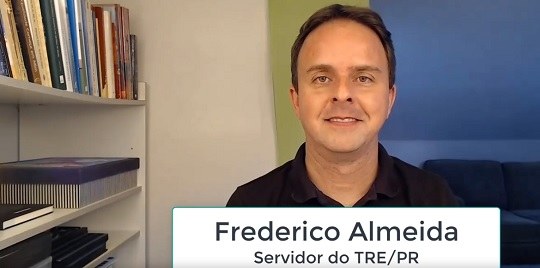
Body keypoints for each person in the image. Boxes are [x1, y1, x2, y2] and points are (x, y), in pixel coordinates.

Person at [227, 4, 458, 207]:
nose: (342, 93)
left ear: (389, 99)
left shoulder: (435, 199)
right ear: (296, 99)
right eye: (322, 78)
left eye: (363, 78)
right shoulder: (249, 206)